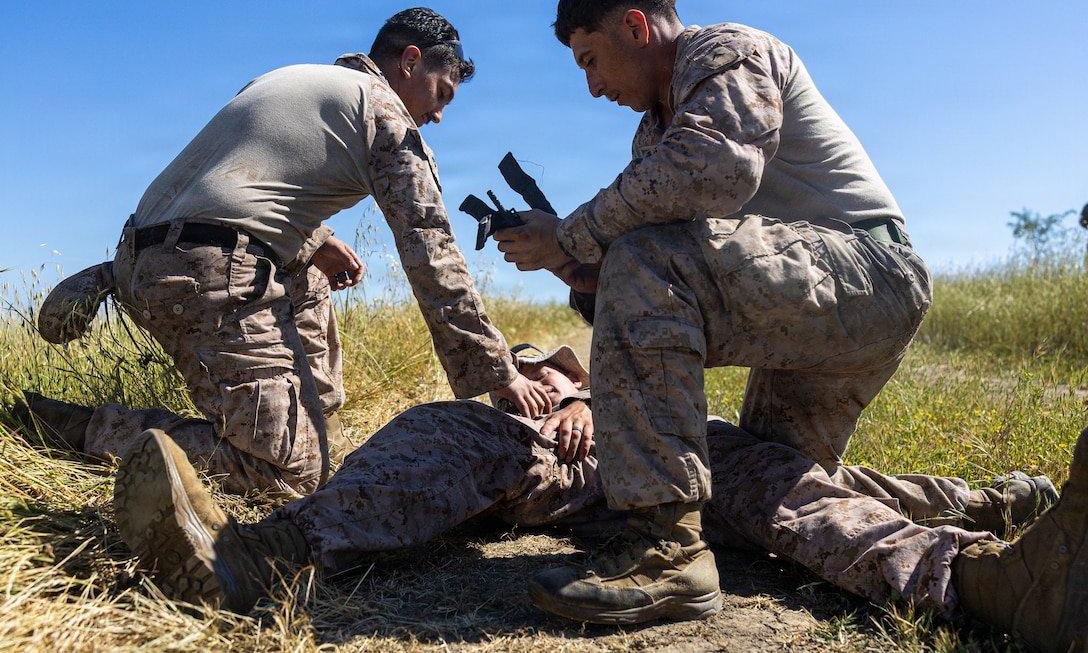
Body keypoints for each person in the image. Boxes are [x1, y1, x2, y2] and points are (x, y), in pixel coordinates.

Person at [489, 0, 1086, 646]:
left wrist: (581, 233)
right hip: (807, 306)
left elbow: (714, 173)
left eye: (590, 60)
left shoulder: (726, 52)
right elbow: (644, 278)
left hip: (869, 276)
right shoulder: (654, 134)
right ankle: (995, 551)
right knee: (762, 487)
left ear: (636, 27)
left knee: (644, 260)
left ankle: (664, 551)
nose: (592, 86)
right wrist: (569, 259)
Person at [111, 342, 1083, 651]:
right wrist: (548, 391)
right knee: (438, 430)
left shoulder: (621, 315)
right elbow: (507, 395)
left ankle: (987, 559)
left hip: (657, 454)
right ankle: (252, 553)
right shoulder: (531, 356)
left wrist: (591, 394)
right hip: (549, 469)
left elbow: (640, 366)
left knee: (783, 488)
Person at [14, 7, 550, 497]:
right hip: (204, 269)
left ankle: (310, 425)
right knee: (289, 477)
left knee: (311, 278)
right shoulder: (386, 114)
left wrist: (313, 238)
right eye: (441, 95)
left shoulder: (298, 80)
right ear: (411, 62)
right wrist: (498, 370)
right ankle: (85, 430)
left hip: (144, 248)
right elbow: (433, 256)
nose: (437, 117)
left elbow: (236, 178)